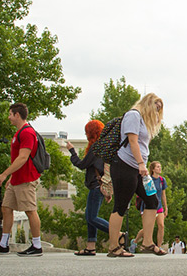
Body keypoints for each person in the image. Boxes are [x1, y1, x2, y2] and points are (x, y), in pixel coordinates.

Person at [102, 94, 167, 257]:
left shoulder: (144, 120)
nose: (157, 111)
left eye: (159, 109)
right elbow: (132, 142)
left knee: (152, 200)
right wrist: (141, 164)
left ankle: (147, 243)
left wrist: (142, 164)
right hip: (125, 166)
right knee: (121, 205)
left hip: (138, 168)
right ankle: (114, 247)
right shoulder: (133, 115)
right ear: (148, 103)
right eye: (156, 107)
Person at [0, 103, 46, 257]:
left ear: (17, 115)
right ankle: (3, 243)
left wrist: (4, 174)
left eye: (10, 114)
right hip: (16, 179)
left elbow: (23, 157)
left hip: (26, 179)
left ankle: (37, 245)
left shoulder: (27, 133)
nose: (9, 117)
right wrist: (11, 177)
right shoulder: (19, 133)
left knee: (30, 211)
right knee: (6, 208)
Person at [67, 120, 110, 256]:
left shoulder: (95, 148)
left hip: (96, 186)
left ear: (91, 133)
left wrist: (72, 151)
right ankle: (90, 246)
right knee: (91, 217)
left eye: (87, 132)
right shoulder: (103, 147)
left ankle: (117, 233)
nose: (85, 135)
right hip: (100, 185)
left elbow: (81, 164)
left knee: (91, 217)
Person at [134, 162, 168, 248]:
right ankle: (135, 241)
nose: (160, 168)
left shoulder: (162, 180)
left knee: (161, 225)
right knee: (148, 228)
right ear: (153, 169)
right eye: (157, 167)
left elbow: (163, 195)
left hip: (159, 206)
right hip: (148, 206)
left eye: (160, 166)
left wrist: (166, 207)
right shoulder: (149, 179)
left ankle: (159, 246)